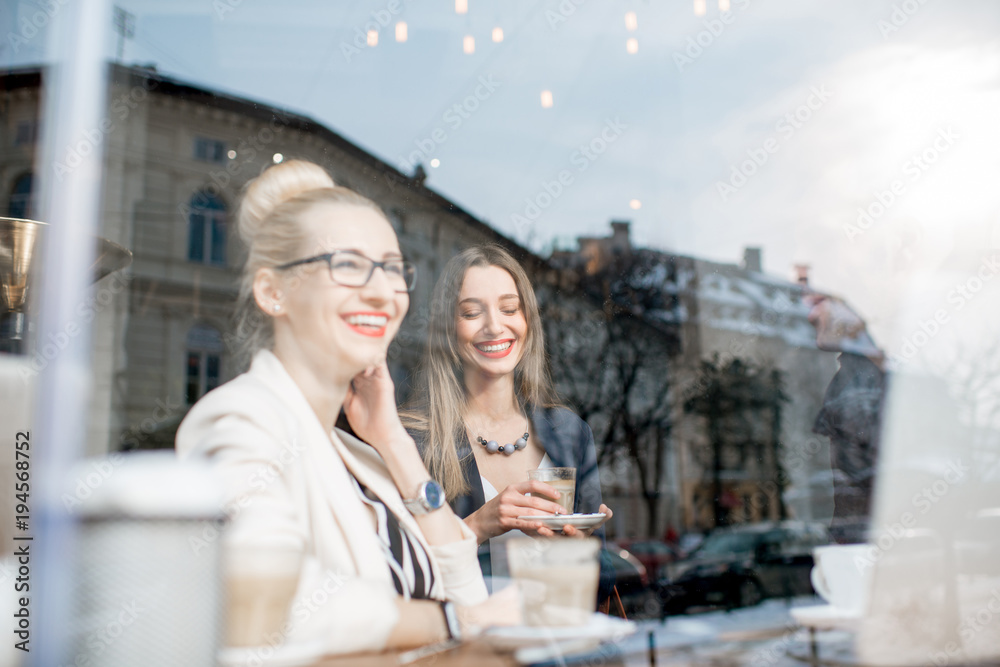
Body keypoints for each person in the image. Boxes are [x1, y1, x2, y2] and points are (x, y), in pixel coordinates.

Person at [175, 160, 515, 655]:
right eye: (348, 264)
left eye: (394, 269)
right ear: (273, 291)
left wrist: (394, 442)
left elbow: (465, 588)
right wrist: (459, 620)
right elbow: (266, 607)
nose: (382, 292)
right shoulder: (240, 418)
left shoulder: (364, 457)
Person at [401, 244, 613, 587]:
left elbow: (602, 581)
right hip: (466, 637)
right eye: (471, 313)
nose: (495, 326)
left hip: (555, 636)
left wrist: (580, 550)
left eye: (509, 308)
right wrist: (477, 526)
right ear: (448, 329)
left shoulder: (570, 433)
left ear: (526, 319)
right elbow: (393, 575)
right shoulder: (411, 442)